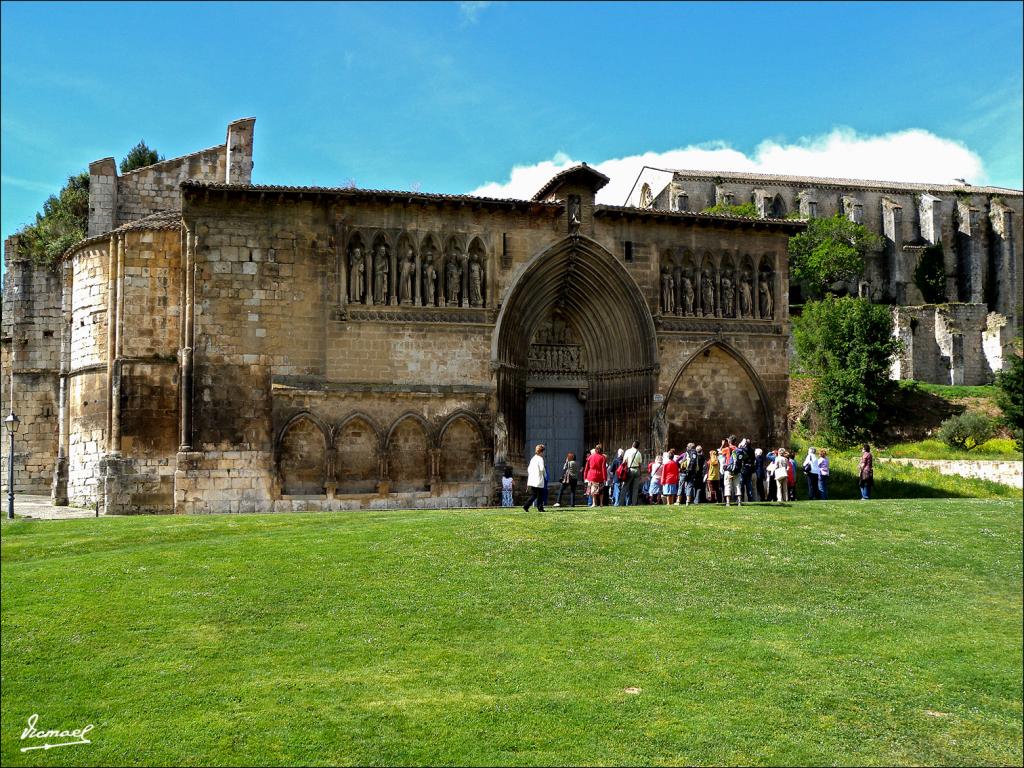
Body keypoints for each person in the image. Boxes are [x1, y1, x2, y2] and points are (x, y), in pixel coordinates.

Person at [619, 440, 643, 506]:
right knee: (635, 488)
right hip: (637, 469)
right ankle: (634, 503)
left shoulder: (628, 451)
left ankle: (621, 503)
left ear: (632, 445)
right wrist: (640, 474)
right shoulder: (639, 453)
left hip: (630, 469)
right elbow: (640, 465)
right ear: (638, 446)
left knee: (625, 487)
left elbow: (624, 461)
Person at [524, 444, 546, 512]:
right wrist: (545, 475)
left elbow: (529, 469)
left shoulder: (533, 458)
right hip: (538, 479)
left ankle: (526, 506)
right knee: (540, 495)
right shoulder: (540, 459)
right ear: (541, 452)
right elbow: (542, 468)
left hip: (532, 479)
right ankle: (540, 508)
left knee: (535, 495)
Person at [721, 435, 741, 507]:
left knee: (727, 485)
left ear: (729, 441)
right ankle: (739, 502)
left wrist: (723, 445)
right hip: (736, 470)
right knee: (737, 485)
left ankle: (728, 502)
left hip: (728, 469)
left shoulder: (726, 449)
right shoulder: (738, 449)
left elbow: (720, 454)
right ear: (735, 442)